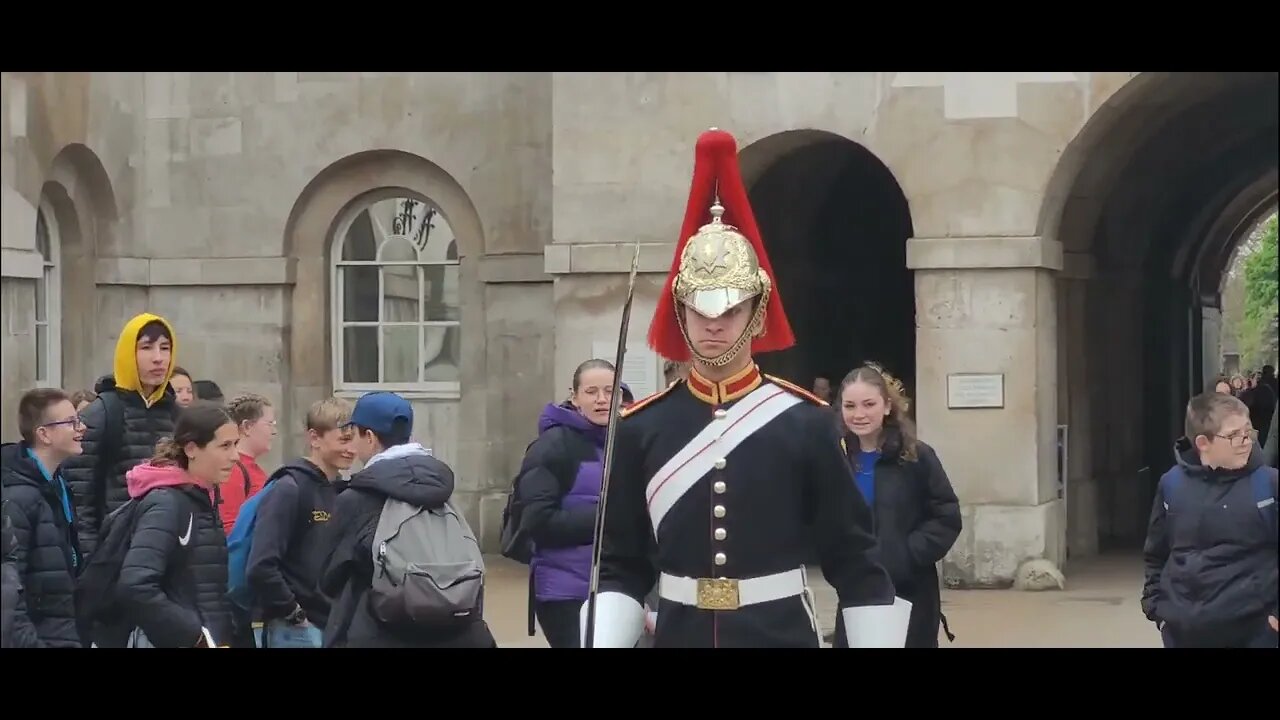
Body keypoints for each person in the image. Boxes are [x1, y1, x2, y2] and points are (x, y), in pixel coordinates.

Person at [583, 128, 905, 649]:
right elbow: (621, 563)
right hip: (681, 633)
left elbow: (854, 558)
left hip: (778, 632)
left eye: (731, 309)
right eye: (701, 309)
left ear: (757, 314)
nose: (715, 324)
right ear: (680, 313)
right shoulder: (642, 426)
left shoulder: (805, 421)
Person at [318, 391, 496, 648]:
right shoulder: (441, 491)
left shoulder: (356, 499)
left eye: (354, 434)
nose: (353, 446)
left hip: (381, 633)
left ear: (369, 437)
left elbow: (329, 577)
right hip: (459, 634)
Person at [833, 364, 962, 648]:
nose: (859, 414)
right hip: (857, 590)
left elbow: (946, 516)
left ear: (887, 406)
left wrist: (905, 554)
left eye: (869, 404)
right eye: (850, 405)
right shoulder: (836, 460)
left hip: (910, 590)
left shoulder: (917, 456)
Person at [1141, 392, 1278, 648]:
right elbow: (1156, 552)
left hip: (1255, 631)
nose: (1246, 441)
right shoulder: (1171, 485)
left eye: (1248, 431)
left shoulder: (1269, 485)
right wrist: (1157, 608)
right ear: (1203, 442)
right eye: (1234, 435)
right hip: (1183, 630)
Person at [110, 401, 241, 648]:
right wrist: (194, 636)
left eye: (236, 445)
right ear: (191, 449)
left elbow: (207, 587)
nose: (234, 456)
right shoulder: (167, 502)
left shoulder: (201, 497)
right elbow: (135, 584)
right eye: (224, 446)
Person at [61, 313, 181, 559]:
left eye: (165, 348)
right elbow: (79, 497)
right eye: (146, 347)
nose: (158, 358)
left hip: (167, 551)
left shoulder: (179, 416)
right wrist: (91, 559)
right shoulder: (102, 413)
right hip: (114, 554)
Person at [513, 359, 615, 648]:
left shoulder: (627, 441)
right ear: (575, 397)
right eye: (592, 391)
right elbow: (538, 520)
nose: (602, 399)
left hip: (615, 588)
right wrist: (607, 518)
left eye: (609, 391)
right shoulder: (552, 446)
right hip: (565, 592)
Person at [246, 397, 356, 648]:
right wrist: (293, 612)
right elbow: (261, 566)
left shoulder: (340, 491)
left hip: (328, 624)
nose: (351, 449)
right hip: (293, 629)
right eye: (343, 440)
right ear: (314, 438)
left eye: (353, 439)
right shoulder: (288, 488)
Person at [0, 389, 86, 647]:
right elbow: (10, 593)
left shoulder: (58, 482)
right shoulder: (18, 497)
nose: (81, 428)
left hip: (63, 630)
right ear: (44, 434)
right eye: (71, 422)